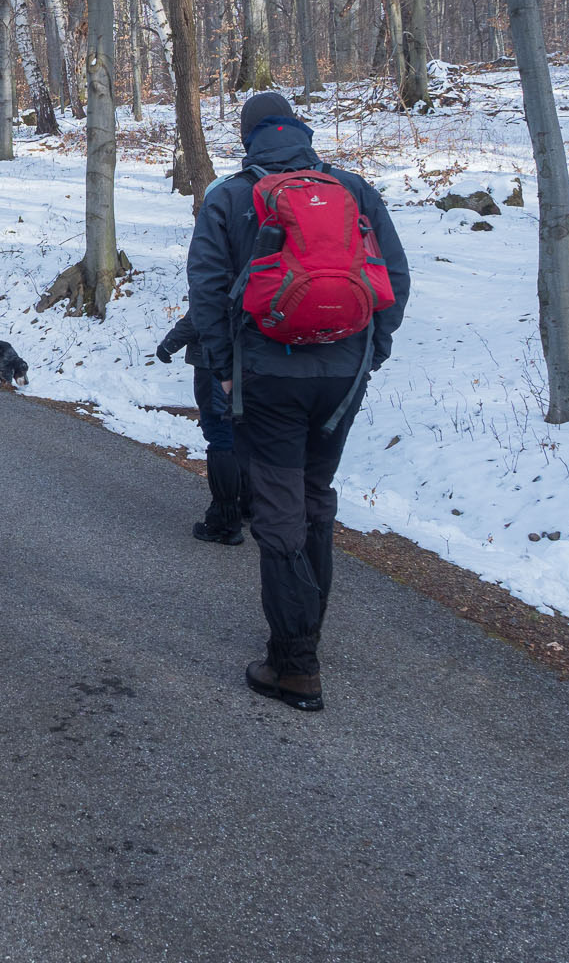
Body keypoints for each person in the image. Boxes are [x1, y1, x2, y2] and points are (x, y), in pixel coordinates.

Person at [185, 91, 410, 711]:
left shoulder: (230, 197)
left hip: (267, 375)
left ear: (249, 136)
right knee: (315, 496)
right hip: (343, 375)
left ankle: (294, 663)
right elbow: (396, 276)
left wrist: (219, 368)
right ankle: (305, 634)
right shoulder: (354, 190)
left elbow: (206, 287)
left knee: (280, 507)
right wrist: (372, 352)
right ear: (301, 131)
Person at [156, 309, 249, 544]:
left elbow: (203, 309)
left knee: (222, 437)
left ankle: (225, 521)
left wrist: (170, 343)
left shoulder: (218, 271)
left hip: (216, 362)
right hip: (259, 361)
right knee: (247, 434)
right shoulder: (266, 271)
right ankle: (250, 506)